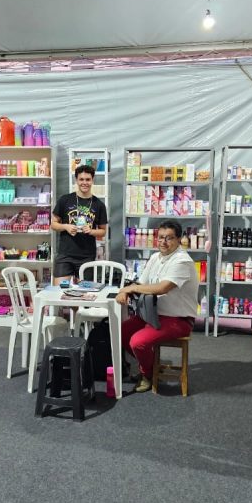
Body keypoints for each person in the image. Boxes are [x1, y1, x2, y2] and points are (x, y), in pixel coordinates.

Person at [116, 220, 199, 393]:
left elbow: (162, 288)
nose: (163, 242)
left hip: (178, 319)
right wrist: (126, 291)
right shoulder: (155, 257)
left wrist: (131, 288)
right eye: (160, 237)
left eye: (169, 238)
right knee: (121, 332)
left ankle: (147, 374)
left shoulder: (182, 261)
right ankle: (152, 366)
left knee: (138, 342)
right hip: (152, 313)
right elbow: (142, 283)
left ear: (179, 239)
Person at [52, 165, 108, 284]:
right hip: (65, 255)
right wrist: (65, 226)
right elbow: (53, 224)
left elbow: (103, 231)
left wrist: (91, 231)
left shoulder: (99, 204)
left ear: (92, 180)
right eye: (81, 179)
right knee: (58, 291)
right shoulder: (65, 200)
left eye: (88, 179)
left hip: (87, 256)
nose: (84, 183)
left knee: (84, 292)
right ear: (76, 180)